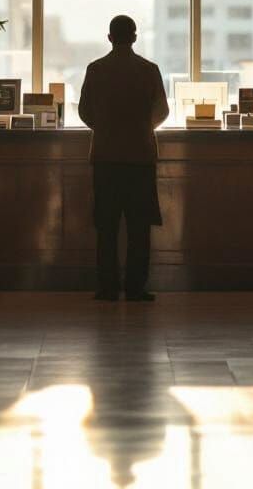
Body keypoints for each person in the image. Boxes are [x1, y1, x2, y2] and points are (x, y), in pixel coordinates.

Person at [78, 15, 170, 302]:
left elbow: (84, 111)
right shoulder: (149, 70)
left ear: (109, 37)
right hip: (140, 157)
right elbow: (162, 111)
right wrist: (142, 129)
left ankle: (107, 287)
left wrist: (105, 129)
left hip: (105, 156)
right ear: (134, 37)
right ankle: (135, 287)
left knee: (106, 226)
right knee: (139, 227)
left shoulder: (95, 70)